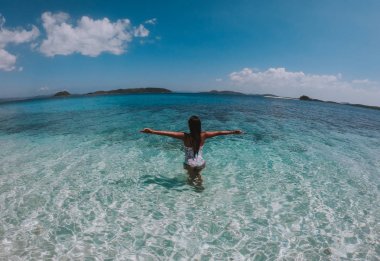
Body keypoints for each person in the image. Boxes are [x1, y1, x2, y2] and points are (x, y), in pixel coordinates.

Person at [140, 115, 242, 185]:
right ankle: (200, 191)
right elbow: (219, 132)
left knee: (190, 180)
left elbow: (168, 133)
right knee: (197, 175)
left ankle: (193, 195)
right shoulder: (204, 135)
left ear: (189, 125)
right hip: (201, 162)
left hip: (189, 163)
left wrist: (152, 131)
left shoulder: (185, 136)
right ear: (199, 125)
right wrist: (233, 132)